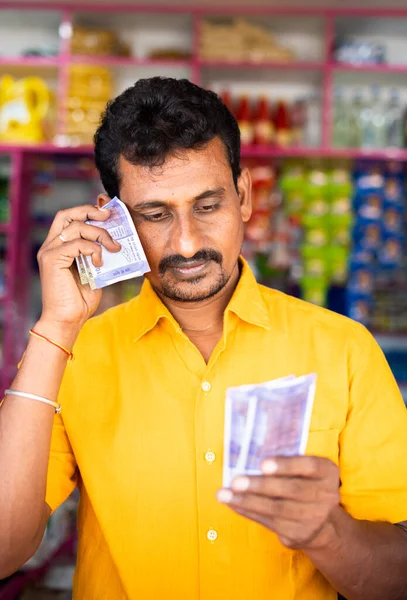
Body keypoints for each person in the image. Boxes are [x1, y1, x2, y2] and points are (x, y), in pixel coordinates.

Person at [1, 77, 407, 600]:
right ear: (113, 219)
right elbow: (6, 549)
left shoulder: (343, 349)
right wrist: (55, 326)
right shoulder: (73, 353)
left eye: (207, 205)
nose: (186, 242)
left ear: (243, 195)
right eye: (155, 214)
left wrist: (326, 531)